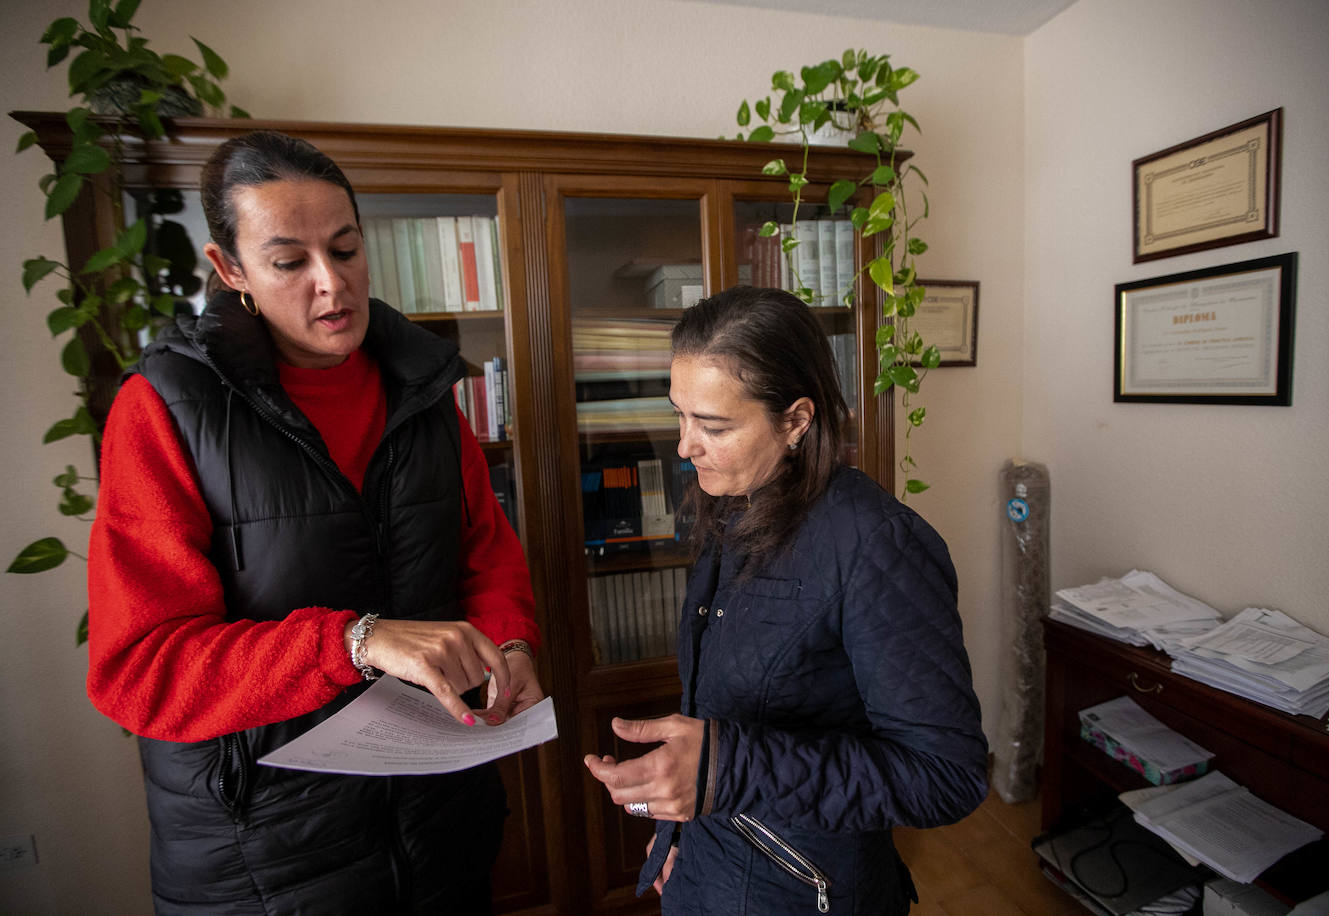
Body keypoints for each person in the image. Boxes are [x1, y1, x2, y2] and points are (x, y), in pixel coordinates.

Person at [85, 130, 543, 914]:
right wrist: (354, 641)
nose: (332, 286)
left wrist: (508, 640)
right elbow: (140, 669)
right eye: (290, 262)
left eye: (346, 249)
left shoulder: (425, 385)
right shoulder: (164, 409)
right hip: (264, 857)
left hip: (439, 824)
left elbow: (483, 551)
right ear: (230, 271)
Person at [583, 285, 988, 914]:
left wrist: (725, 770)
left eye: (713, 426)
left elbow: (946, 776)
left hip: (805, 890)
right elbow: (720, 707)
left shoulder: (877, 545)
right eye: (679, 415)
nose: (686, 446)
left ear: (796, 420)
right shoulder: (733, 501)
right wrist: (678, 835)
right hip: (711, 868)